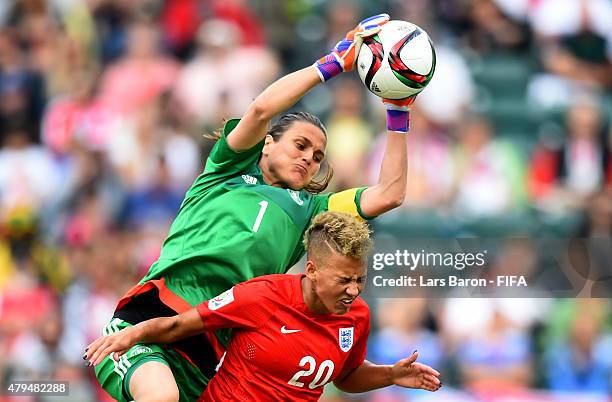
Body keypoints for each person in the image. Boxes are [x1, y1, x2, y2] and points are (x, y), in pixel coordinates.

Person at [93, 13, 417, 402]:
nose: (309, 160)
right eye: (300, 146)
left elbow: (390, 194)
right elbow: (262, 110)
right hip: (154, 314)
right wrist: (332, 64)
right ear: (267, 144)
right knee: (160, 398)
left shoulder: (311, 209)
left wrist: (399, 109)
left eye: (317, 157)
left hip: (208, 347)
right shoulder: (225, 171)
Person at [85, 212, 442, 400]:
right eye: (343, 280)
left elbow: (346, 376)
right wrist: (134, 334)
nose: (353, 290)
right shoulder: (262, 297)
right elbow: (181, 325)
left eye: (359, 280)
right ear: (313, 270)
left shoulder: (358, 317)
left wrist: (389, 375)